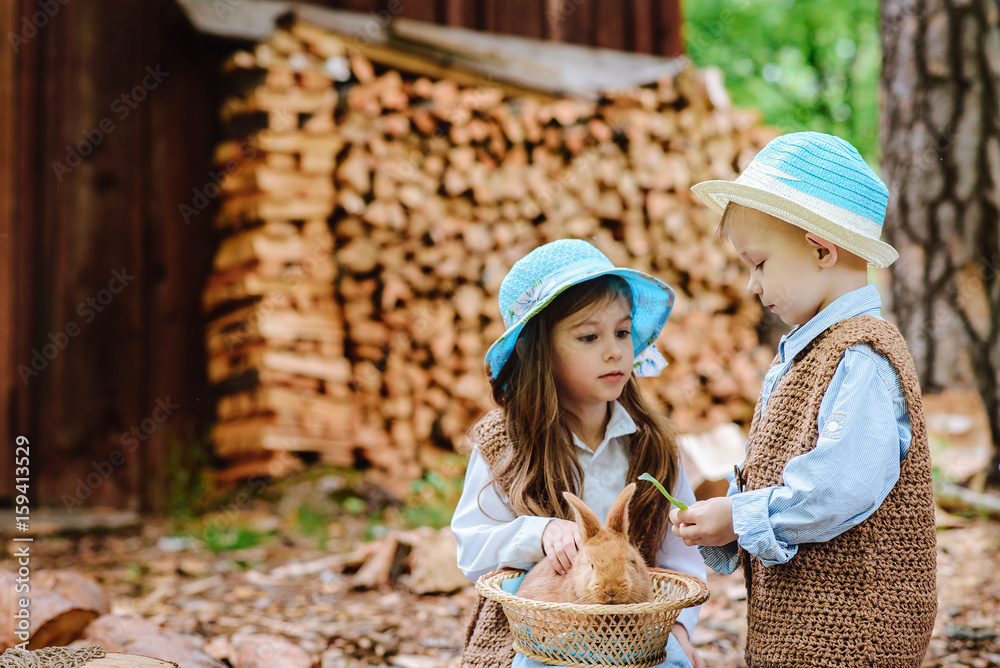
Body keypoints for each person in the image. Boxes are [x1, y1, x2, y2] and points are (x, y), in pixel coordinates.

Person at [672, 131, 937, 667]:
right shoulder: (811, 350)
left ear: (820, 248)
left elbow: (839, 485)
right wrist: (730, 512)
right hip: (804, 625)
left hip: (853, 631)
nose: (751, 284)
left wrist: (741, 516)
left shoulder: (862, 353)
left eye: (760, 263)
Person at [451, 238, 706, 668]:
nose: (615, 350)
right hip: (535, 637)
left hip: (636, 631)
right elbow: (472, 548)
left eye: (623, 332)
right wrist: (540, 533)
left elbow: (681, 557)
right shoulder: (505, 442)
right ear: (541, 352)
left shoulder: (653, 444)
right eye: (589, 336)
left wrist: (680, 626)